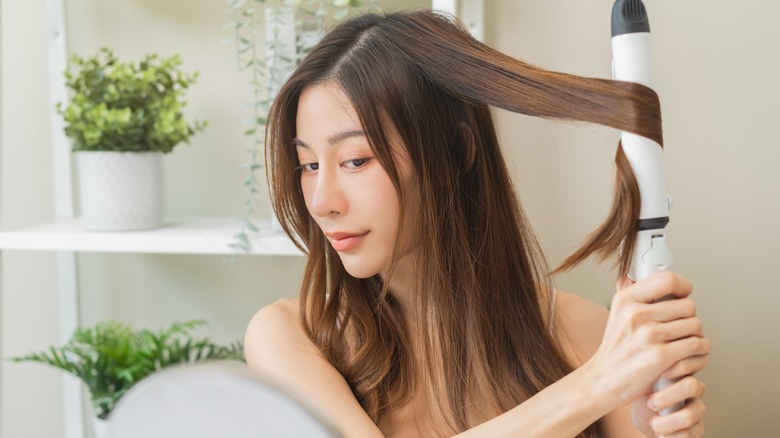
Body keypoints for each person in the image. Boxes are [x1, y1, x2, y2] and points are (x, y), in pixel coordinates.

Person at [244, 10, 710, 438]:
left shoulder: (584, 335)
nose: (322, 202)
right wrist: (597, 383)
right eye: (307, 165)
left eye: (355, 160)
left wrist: (655, 427)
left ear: (456, 150)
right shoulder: (289, 338)